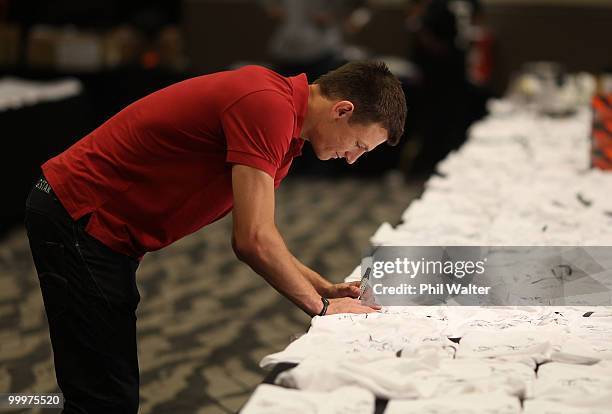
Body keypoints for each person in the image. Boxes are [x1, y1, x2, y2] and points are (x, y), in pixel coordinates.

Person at [24, 60, 407, 413]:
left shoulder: (285, 124)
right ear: (342, 110)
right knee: (103, 396)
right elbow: (251, 240)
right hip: (79, 215)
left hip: (101, 231)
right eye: (358, 145)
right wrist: (321, 308)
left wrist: (326, 287)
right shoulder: (267, 106)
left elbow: (265, 236)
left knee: (106, 388)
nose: (353, 158)